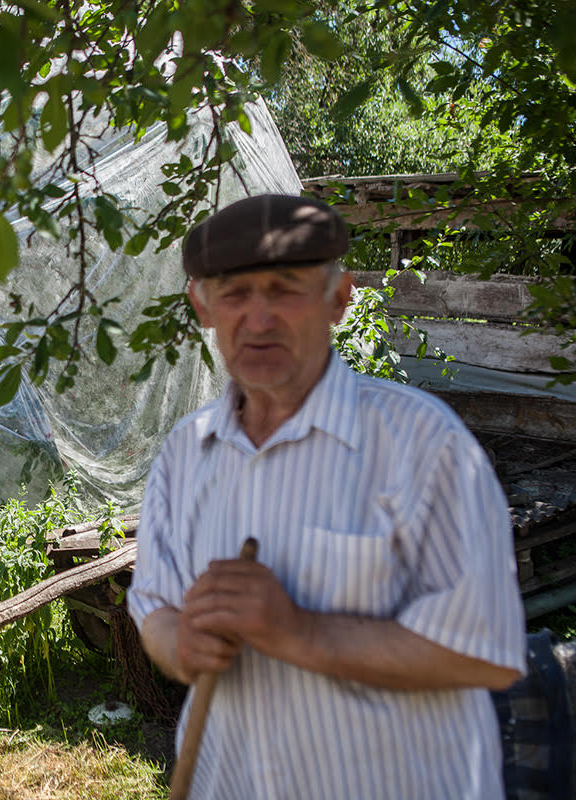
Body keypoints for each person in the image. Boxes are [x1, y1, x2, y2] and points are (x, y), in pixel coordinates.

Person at [128, 194, 526, 799]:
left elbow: (487, 652)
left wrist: (297, 631)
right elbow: (154, 606)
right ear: (201, 306)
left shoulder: (422, 444)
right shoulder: (185, 454)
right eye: (234, 294)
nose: (258, 320)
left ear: (338, 300)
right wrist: (180, 645)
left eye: (285, 289)